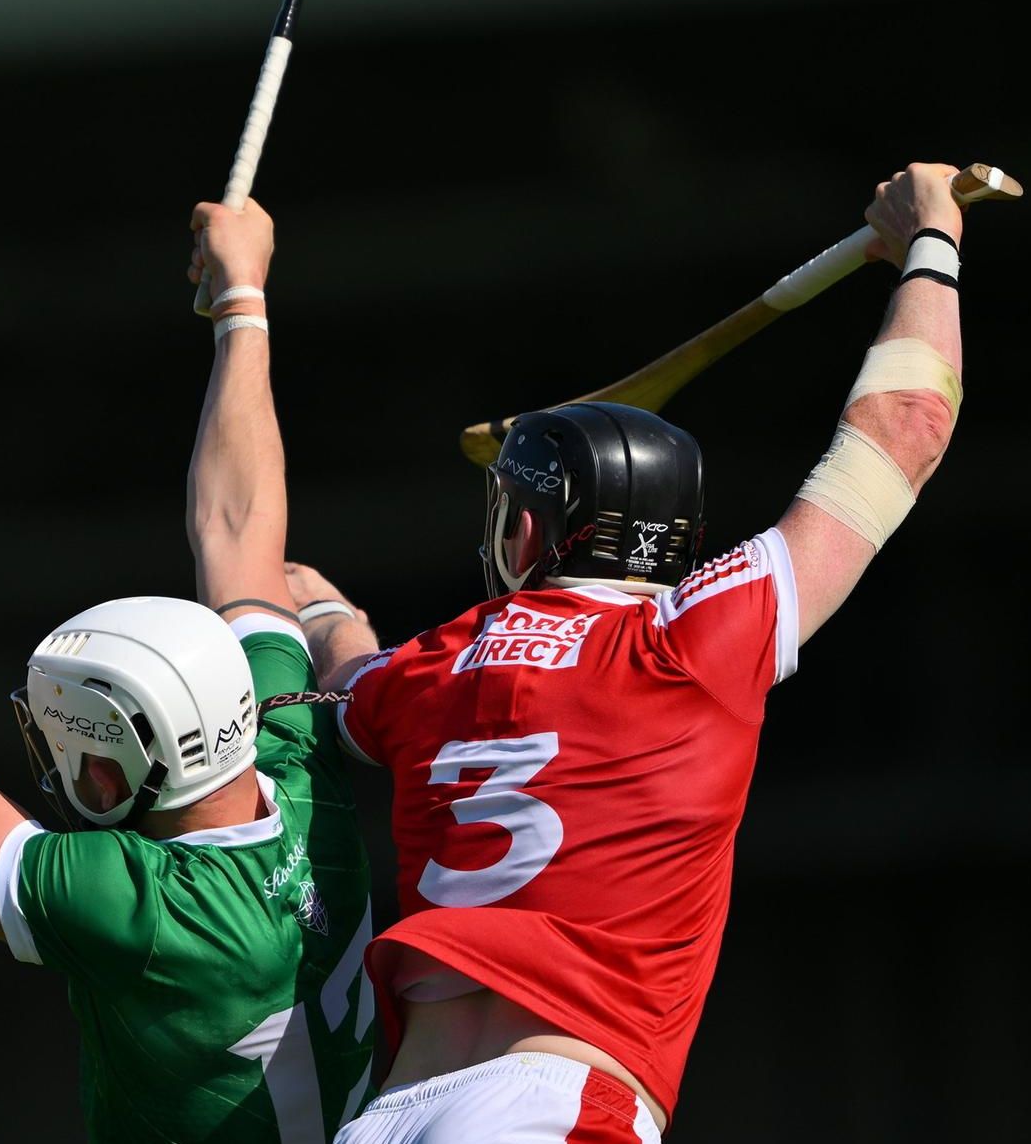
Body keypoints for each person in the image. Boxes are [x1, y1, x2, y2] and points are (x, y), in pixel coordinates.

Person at [276, 164, 975, 1142]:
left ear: (531, 533)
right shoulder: (696, 638)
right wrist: (931, 240)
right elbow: (904, 426)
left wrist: (314, 607)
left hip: (387, 1117)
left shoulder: (433, 668)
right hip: (545, 1103)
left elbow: (348, 676)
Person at [0, 195, 375, 1142]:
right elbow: (238, 532)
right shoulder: (297, 754)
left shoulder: (141, 910)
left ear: (118, 765)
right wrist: (240, 303)